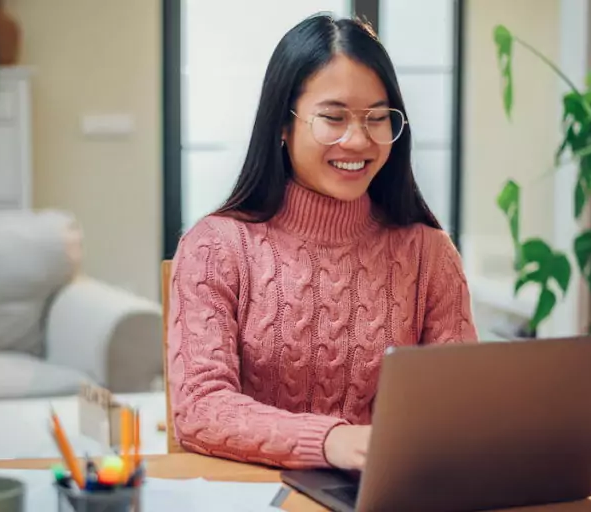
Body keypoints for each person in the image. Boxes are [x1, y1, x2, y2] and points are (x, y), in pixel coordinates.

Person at [165, 13, 478, 472]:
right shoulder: (215, 248)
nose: (359, 140)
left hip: (387, 496)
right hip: (254, 496)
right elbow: (199, 407)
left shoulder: (429, 254)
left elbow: (462, 407)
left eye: (377, 118)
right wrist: (330, 441)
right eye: (333, 117)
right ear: (282, 125)